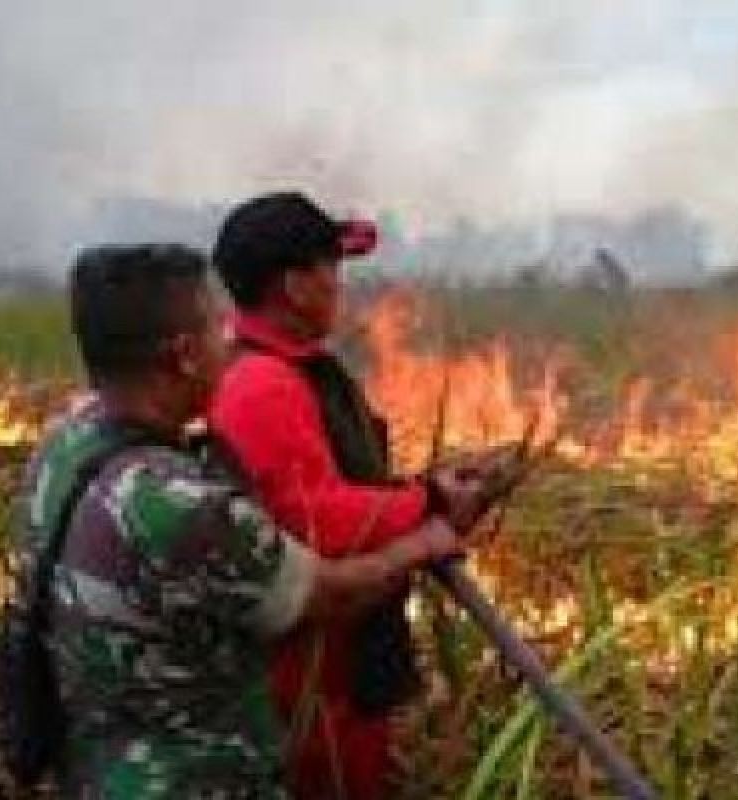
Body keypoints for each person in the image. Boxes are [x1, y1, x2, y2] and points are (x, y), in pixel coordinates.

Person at [15, 243, 466, 797]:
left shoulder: (63, 447)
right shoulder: (178, 504)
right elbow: (326, 597)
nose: (229, 344)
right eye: (216, 329)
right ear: (183, 355)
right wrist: (424, 541)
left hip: (93, 770)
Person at [209, 193, 491, 798]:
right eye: (329, 266)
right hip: (309, 668)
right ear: (294, 285)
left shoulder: (288, 368)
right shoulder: (261, 385)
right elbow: (318, 519)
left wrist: (422, 496)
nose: (338, 283)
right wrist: (427, 505)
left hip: (336, 651)